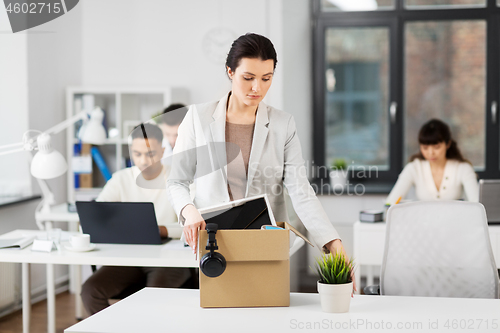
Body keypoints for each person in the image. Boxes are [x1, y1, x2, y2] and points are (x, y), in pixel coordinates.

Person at [166, 33, 355, 292]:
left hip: (266, 242)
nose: (258, 88)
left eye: (266, 78)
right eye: (248, 78)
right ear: (230, 72)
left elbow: (300, 190)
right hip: (214, 241)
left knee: (269, 316)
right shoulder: (198, 118)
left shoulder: (283, 124)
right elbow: (177, 180)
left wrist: (332, 242)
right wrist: (189, 212)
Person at [81, 123, 191, 315]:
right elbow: (98, 214)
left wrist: (161, 230)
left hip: (168, 260)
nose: (143, 161)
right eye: (137, 154)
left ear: (163, 151)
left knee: (153, 299)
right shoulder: (120, 179)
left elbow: (192, 225)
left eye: (150, 154)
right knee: (90, 291)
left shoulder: (177, 179)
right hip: (128, 259)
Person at [386, 118, 479, 205]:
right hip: (422, 221)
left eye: (436, 147)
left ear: (447, 144)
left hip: (454, 221)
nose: (431, 153)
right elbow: (390, 202)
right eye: (425, 148)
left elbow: (477, 204)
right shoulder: (414, 168)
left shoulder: (463, 168)